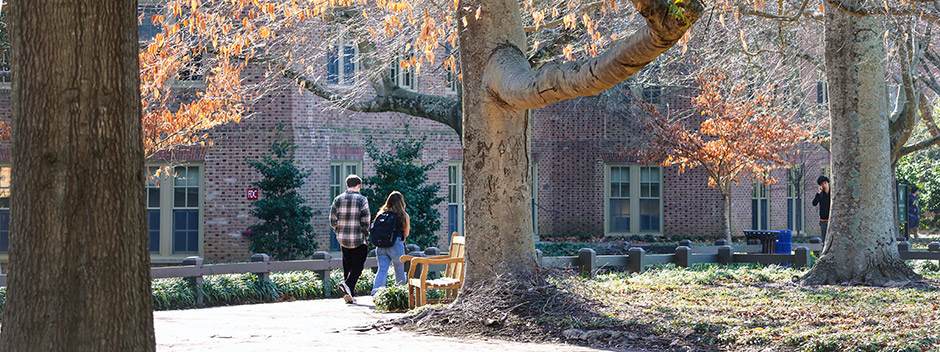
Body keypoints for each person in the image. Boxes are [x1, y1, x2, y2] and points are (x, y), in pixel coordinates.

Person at [330, 174, 371, 304]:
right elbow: (365, 220)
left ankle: (349, 294)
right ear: (358, 186)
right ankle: (348, 284)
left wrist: (337, 230)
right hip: (358, 237)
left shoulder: (338, 199)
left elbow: (332, 219)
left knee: (347, 264)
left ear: (347, 185)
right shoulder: (361, 199)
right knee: (358, 265)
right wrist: (365, 233)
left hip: (343, 238)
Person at [371, 191, 410, 295]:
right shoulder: (403, 215)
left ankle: (376, 293)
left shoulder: (381, 214)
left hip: (381, 246)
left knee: (382, 270)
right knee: (399, 270)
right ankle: (401, 294)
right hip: (396, 245)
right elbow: (406, 233)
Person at [812, 175, 831, 241]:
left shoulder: (832, 193)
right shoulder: (820, 194)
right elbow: (814, 203)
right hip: (824, 220)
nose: (824, 185)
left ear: (828, 183)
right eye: (822, 184)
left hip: (831, 219)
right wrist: (818, 193)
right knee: (824, 239)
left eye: (825, 183)